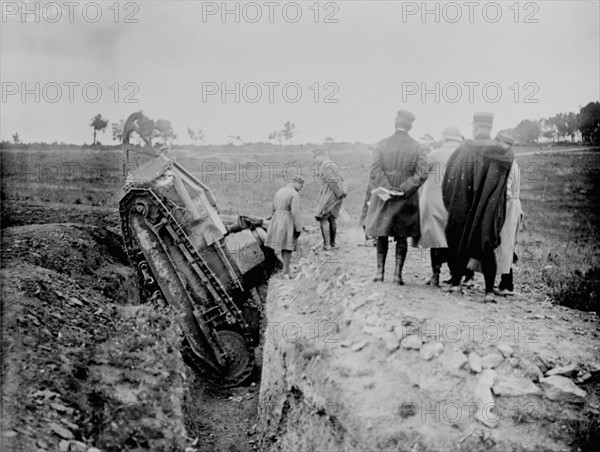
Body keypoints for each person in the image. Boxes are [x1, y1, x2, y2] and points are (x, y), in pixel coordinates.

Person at [442, 112, 514, 303]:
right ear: (489, 128)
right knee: (486, 243)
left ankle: (456, 283)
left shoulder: (465, 149)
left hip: (464, 206)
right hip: (489, 210)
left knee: (458, 237)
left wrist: (453, 204)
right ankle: (489, 292)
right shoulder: (504, 152)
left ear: (475, 127)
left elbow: (449, 178)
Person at [365, 109, 430, 285]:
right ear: (410, 125)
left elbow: (374, 170)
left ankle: (379, 273)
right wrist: (404, 189)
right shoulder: (419, 147)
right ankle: (397, 275)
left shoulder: (381, 144)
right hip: (406, 196)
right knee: (402, 235)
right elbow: (423, 172)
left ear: (395, 123)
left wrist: (387, 188)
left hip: (384, 195)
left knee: (382, 232)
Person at [419, 125, 463, 286]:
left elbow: (421, 173)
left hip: (434, 201)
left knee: (435, 237)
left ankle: (435, 275)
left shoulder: (434, 154)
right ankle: (455, 276)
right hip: (456, 204)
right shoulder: (465, 155)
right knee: (454, 240)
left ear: (444, 138)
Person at [495, 143, 523, 296]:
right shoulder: (515, 164)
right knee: (509, 245)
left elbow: (506, 191)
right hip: (515, 206)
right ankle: (506, 283)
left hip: (508, 208)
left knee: (504, 245)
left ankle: (507, 284)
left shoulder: (507, 165)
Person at [265, 175, 305, 279]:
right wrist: (298, 228)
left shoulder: (279, 191)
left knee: (283, 245)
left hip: (277, 219)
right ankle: (286, 273)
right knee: (288, 247)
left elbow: (272, 208)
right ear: (297, 183)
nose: (301, 188)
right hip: (287, 220)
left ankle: (285, 270)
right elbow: (295, 213)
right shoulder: (294, 194)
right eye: (301, 186)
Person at [313, 148, 347, 251]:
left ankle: (327, 245)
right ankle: (333, 244)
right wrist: (343, 192)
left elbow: (332, 181)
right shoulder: (333, 164)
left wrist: (339, 193)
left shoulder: (325, 165)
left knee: (323, 218)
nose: (315, 160)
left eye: (315, 157)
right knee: (331, 218)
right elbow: (343, 179)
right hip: (336, 195)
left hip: (329, 194)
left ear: (321, 155)